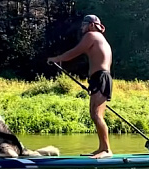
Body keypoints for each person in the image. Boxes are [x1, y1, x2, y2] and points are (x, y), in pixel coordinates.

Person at [48, 15, 113, 159]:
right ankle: (101, 148)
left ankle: (107, 150)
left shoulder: (91, 35)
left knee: (97, 115)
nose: (82, 27)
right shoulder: (99, 37)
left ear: (91, 25)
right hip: (98, 79)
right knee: (93, 114)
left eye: (84, 24)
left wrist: (56, 59)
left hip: (101, 78)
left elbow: (74, 52)